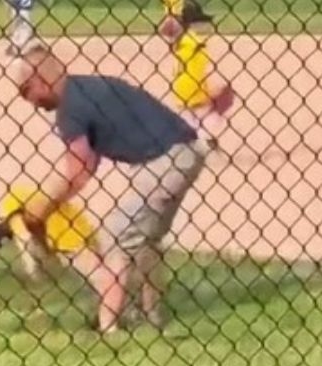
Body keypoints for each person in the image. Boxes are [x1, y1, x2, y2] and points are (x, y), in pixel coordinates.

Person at [12, 46, 215, 332]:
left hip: (162, 163)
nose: (28, 101)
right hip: (188, 151)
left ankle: (108, 327)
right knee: (145, 240)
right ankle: (151, 316)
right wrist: (51, 200)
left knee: (116, 236)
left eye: (24, 92)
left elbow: (78, 171)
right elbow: (87, 166)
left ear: (38, 80)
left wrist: (42, 209)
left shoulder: (70, 109)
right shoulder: (90, 87)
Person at [171, 0, 234, 133]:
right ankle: (203, 141)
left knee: (190, 122)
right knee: (207, 118)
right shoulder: (197, 43)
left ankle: (199, 140)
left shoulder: (182, 39)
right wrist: (212, 91)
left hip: (179, 89)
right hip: (192, 90)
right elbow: (200, 71)